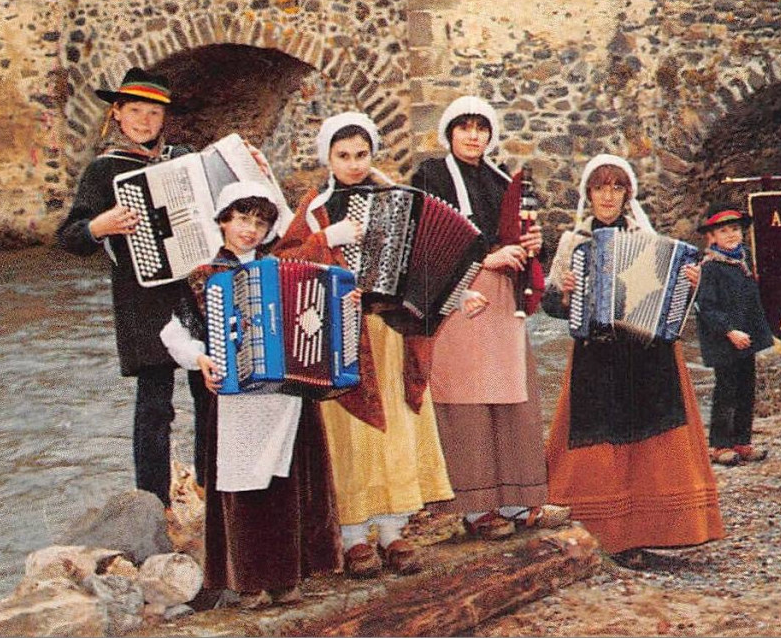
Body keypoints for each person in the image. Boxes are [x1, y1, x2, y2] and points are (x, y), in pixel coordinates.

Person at [273, 112, 453, 578]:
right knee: (349, 433)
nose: (353, 165)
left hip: (388, 329)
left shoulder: (397, 200)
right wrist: (322, 241)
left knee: (394, 424)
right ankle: (353, 534)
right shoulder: (316, 208)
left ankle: (393, 530)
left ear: (372, 154)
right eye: (343, 156)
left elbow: (425, 255)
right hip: (339, 337)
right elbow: (282, 265)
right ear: (328, 158)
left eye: (360, 155)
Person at [159, 182, 342, 608]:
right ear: (222, 220)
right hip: (234, 398)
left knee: (284, 484)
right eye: (242, 219)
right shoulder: (201, 274)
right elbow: (173, 330)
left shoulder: (283, 267)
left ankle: (286, 574)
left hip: (283, 395)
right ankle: (248, 578)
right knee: (242, 488)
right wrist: (200, 358)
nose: (250, 230)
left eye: (259, 222)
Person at [544, 155, 724, 565]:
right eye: (600, 188)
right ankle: (604, 532)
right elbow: (552, 305)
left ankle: (651, 531)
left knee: (650, 441)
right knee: (599, 436)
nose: (608, 196)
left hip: (646, 355)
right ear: (587, 194)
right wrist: (566, 292)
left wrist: (689, 281)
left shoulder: (647, 237)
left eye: (616, 188)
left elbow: (671, 304)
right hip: (597, 354)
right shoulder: (574, 243)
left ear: (627, 195)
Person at [410, 96, 570, 540]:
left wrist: (531, 242)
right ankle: (475, 506)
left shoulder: (503, 181)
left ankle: (520, 498)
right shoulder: (431, 176)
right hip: (458, 296)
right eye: (464, 126)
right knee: (465, 399)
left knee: (511, 394)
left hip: (503, 299)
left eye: (481, 127)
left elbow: (514, 236)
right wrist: (486, 257)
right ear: (449, 132)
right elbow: (426, 239)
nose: (473, 135)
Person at [55, 67, 209, 508]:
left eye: (153, 112)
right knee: (155, 403)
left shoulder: (186, 158)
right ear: (117, 114)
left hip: (194, 288)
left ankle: (210, 490)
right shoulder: (104, 172)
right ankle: (153, 504)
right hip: (142, 296)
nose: (144, 121)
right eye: (135, 111)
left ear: (165, 118)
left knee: (209, 391)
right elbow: (69, 237)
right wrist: (99, 227)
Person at [692, 204, 774, 467]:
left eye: (735, 229)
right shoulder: (711, 266)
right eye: (723, 230)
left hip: (746, 337)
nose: (730, 235)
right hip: (723, 340)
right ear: (711, 237)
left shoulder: (744, 258)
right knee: (726, 391)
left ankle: (742, 441)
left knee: (746, 390)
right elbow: (707, 307)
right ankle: (719, 445)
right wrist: (729, 330)